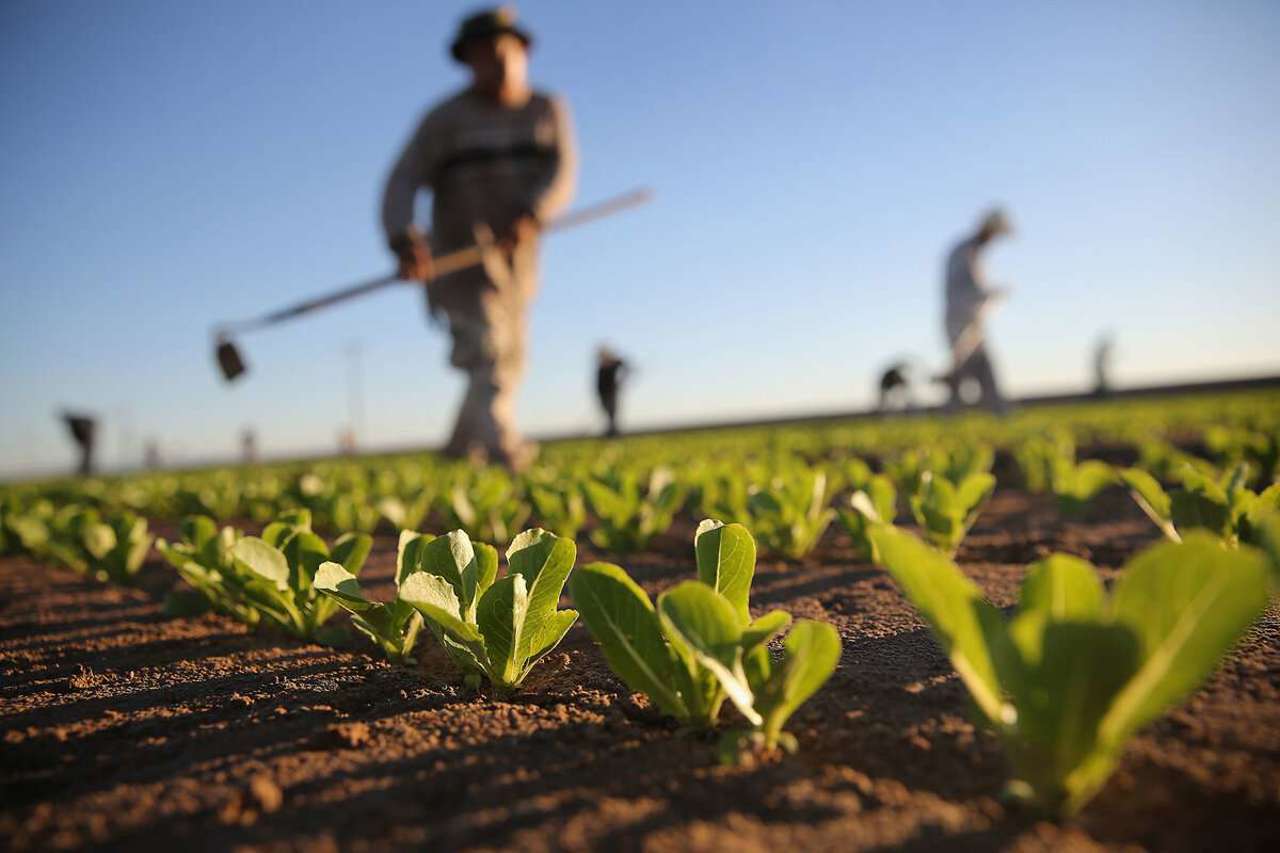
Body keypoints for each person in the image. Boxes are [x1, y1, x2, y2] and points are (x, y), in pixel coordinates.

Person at [382, 7, 577, 470]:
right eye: (484, 55)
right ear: (468, 61)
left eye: (505, 52)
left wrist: (534, 212)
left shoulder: (546, 110)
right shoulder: (443, 121)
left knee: (509, 354)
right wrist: (403, 237)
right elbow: (403, 180)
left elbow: (562, 172)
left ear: (523, 53)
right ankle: (501, 448)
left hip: (518, 260)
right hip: (459, 257)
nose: (497, 63)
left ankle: (457, 449)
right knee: (486, 348)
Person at [937, 208, 1013, 413]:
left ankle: (999, 412)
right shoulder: (966, 251)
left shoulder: (972, 251)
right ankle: (951, 416)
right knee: (962, 371)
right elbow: (969, 288)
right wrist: (993, 293)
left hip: (971, 320)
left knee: (984, 368)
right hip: (960, 321)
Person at [595, 346, 630, 437]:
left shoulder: (613, 363)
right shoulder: (601, 367)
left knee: (612, 413)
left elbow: (626, 366)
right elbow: (598, 383)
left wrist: (622, 380)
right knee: (607, 413)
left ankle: (613, 432)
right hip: (602, 394)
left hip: (611, 393)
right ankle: (611, 431)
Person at [61, 412, 97, 476]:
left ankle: (87, 471)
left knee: (87, 455)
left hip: (88, 438)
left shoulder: (77, 423)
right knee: (86, 455)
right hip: (86, 438)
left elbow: (83, 433)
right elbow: (78, 436)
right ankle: (84, 471)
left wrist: (84, 441)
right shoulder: (74, 423)